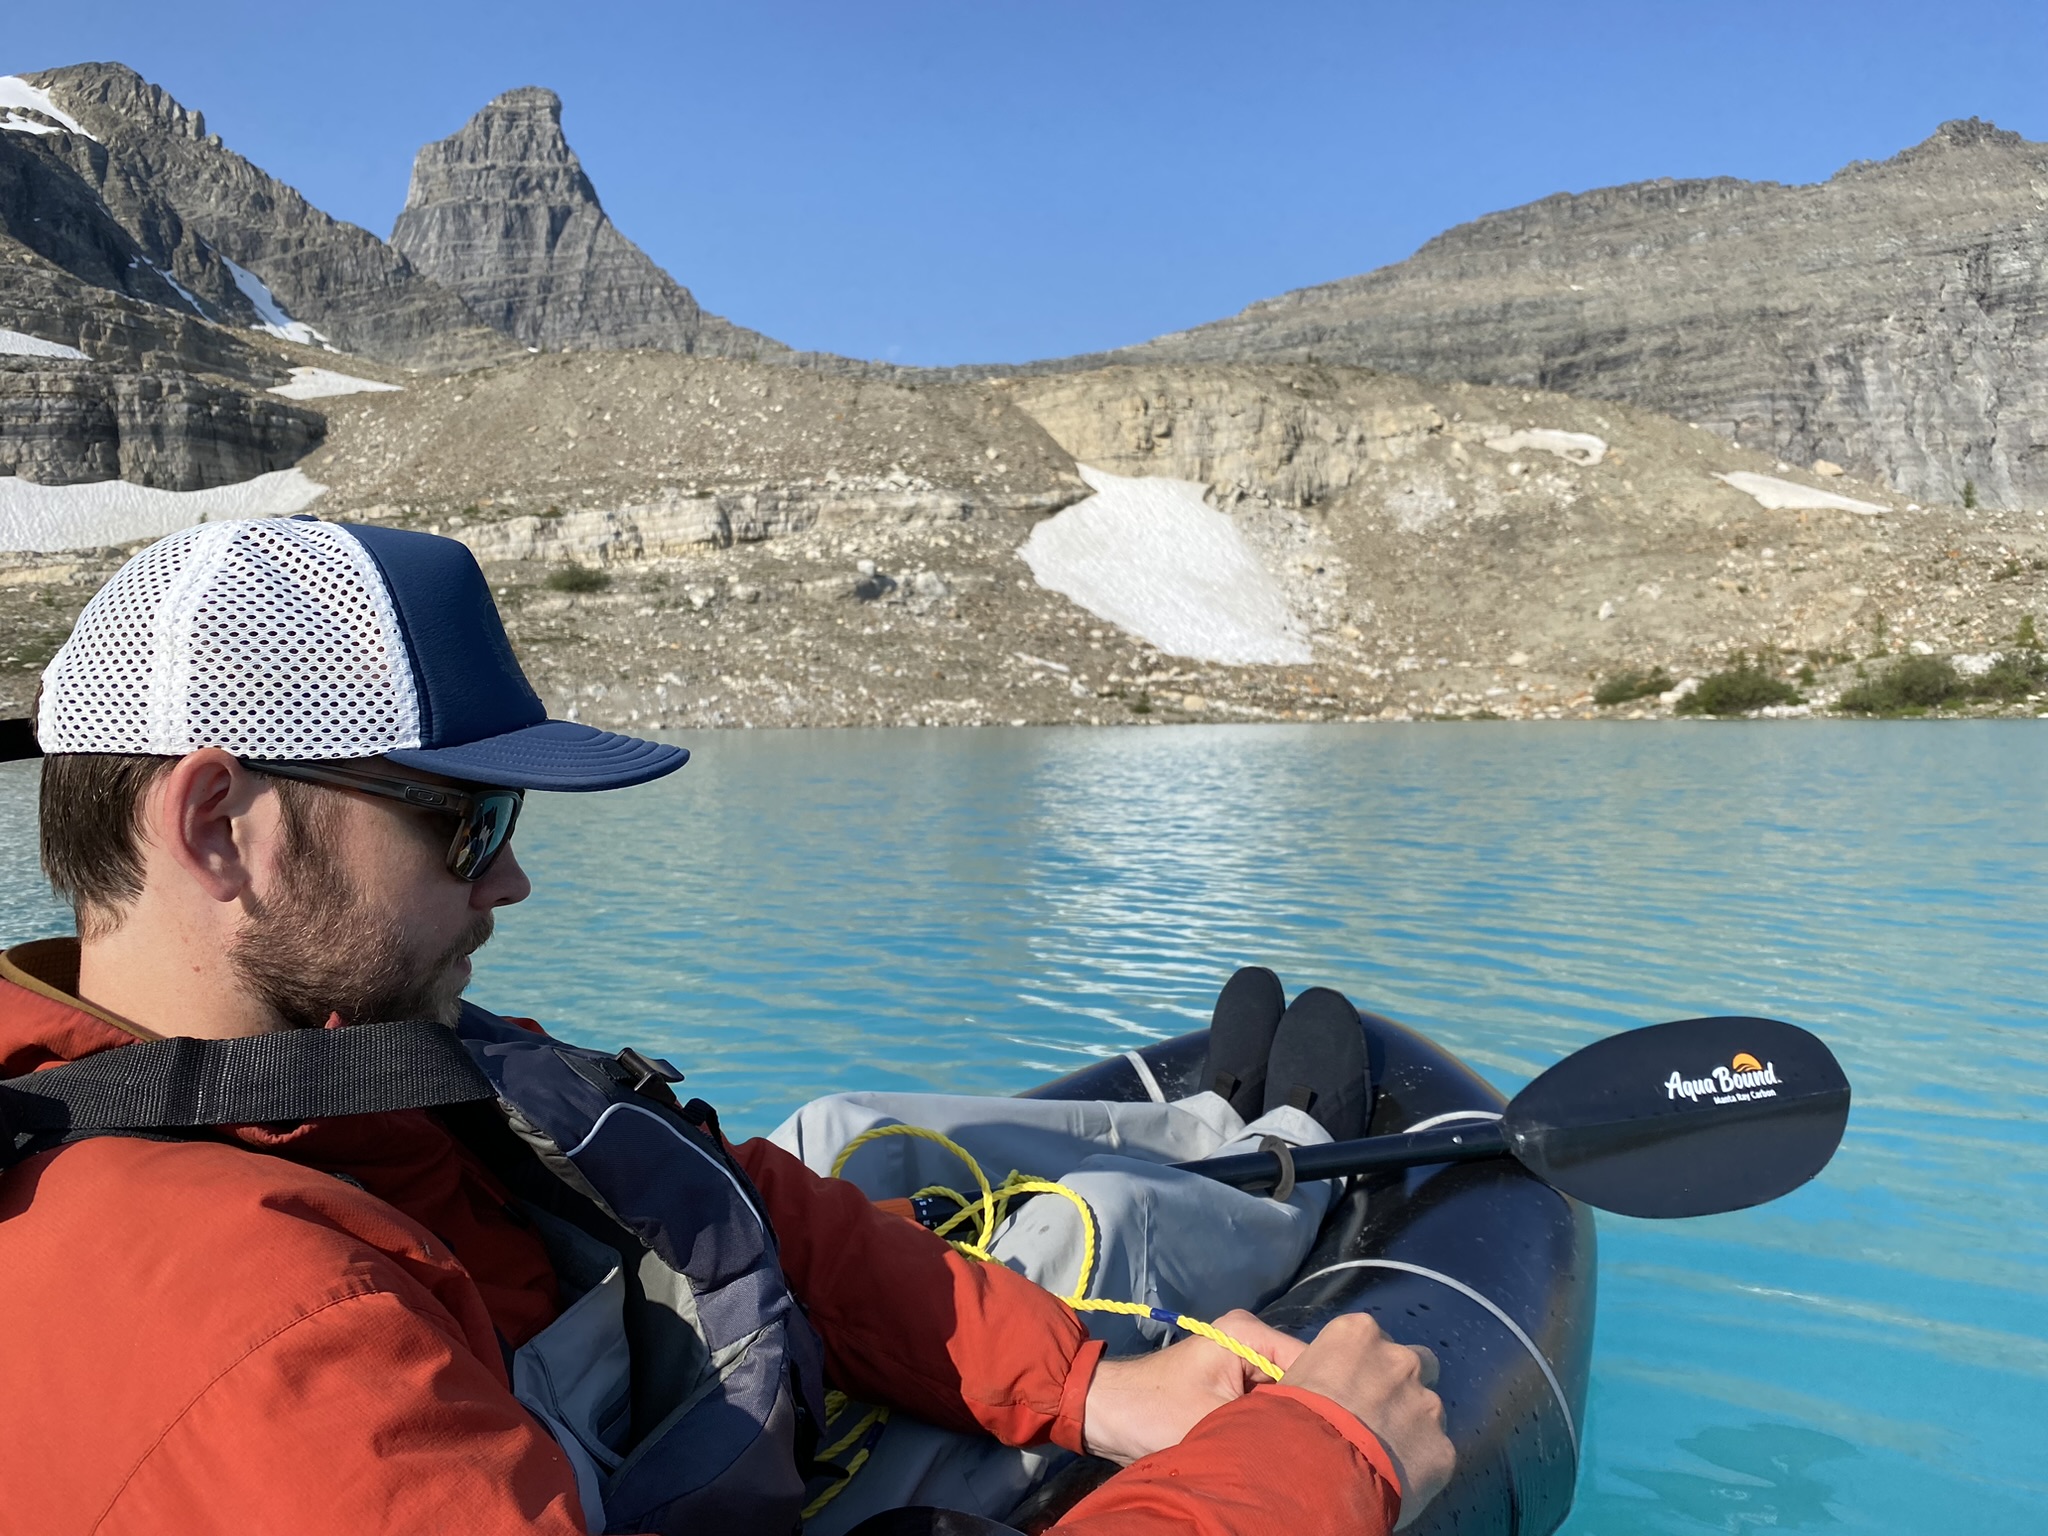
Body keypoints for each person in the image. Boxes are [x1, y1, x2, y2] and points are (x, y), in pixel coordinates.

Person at [0, 517, 1452, 1536]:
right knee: (1103, 1232)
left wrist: (1089, 1386)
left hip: (708, 1439)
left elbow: (717, 1192)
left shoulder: (336, 1061)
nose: (510, 873)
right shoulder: (266, 1348)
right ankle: (1278, 1153)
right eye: (467, 819)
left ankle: (1238, 1142)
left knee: (845, 1160)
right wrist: (1316, 1461)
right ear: (215, 824)